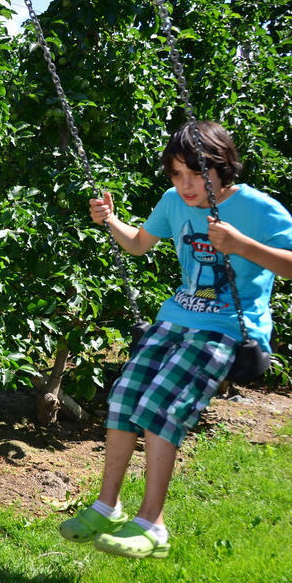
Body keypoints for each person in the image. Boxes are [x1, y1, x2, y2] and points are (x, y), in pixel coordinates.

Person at [60, 120, 292, 559]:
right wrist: (110, 219)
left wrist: (242, 245)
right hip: (176, 317)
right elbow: (138, 244)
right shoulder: (173, 202)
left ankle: (153, 524)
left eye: (195, 174)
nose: (185, 185)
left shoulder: (262, 211)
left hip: (228, 327)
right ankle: (107, 506)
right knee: (124, 397)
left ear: (224, 168)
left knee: (159, 407)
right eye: (175, 174)